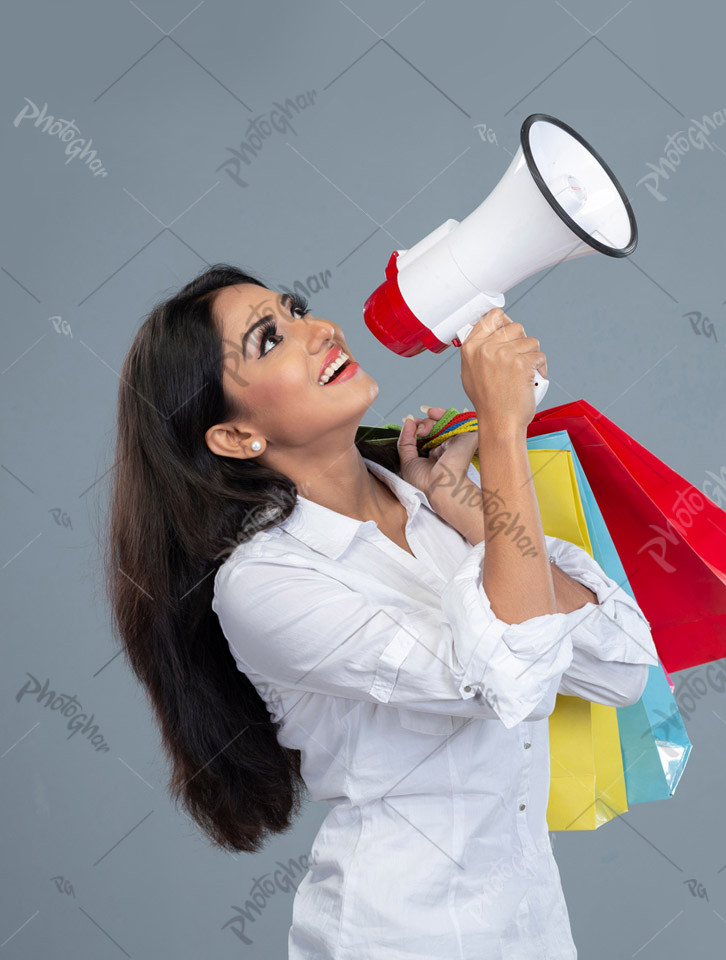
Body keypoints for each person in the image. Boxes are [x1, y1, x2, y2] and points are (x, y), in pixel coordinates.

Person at [104, 263, 660, 959]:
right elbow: (510, 680)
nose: (319, 330)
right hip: (398, 938)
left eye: (297, 307)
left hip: (532, 929)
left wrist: (476, 516)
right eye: (270, 337)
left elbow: (620, 671)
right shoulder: (264, 585)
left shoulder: (432, 508)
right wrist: (504, 429)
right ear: (236, 437)